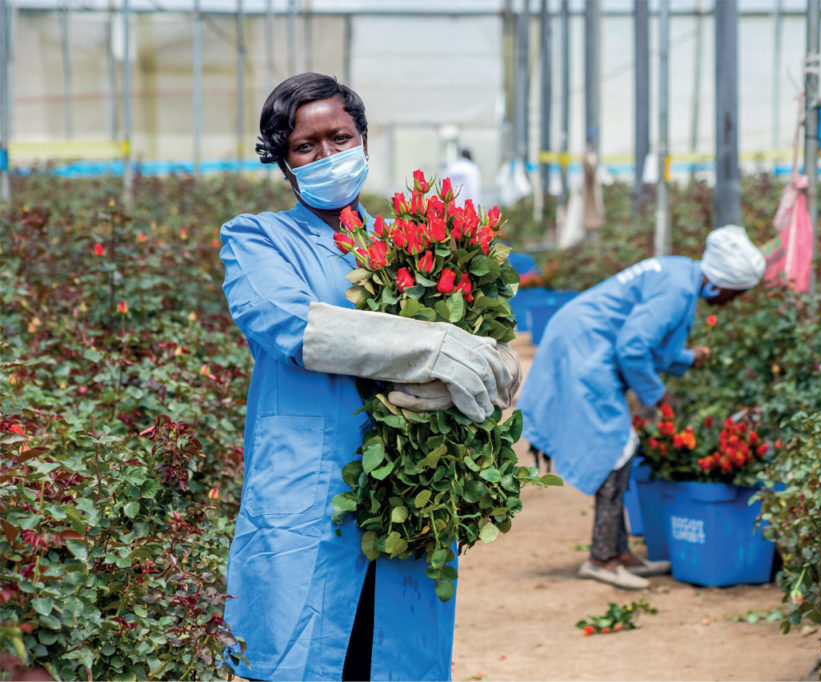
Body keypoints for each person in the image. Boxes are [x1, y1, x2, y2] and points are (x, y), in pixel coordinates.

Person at [218, 73, 519, 681]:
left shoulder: (408, 245)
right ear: (283, 160)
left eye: (341, 137)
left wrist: (491, 359)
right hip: (311, 494)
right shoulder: (257, 239)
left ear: (363, 140)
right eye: (306, 146)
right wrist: (432, 347)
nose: (328, 155)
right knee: (305, 658)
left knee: (393, 659)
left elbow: (476, 338)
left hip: (407, 492)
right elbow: (294, 326)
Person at [515, 225, 766, 590]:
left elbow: (642, 339)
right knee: (616, 446)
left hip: (584, 342)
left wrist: (685, 358)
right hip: (584, 350)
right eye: (735, 293)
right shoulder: (678, 290)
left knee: (620, 446)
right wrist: (658, 396)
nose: (733, 301)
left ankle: (618, 552)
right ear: (720, 283)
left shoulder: (681, 273)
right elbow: (632, 349)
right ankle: (601, 558)